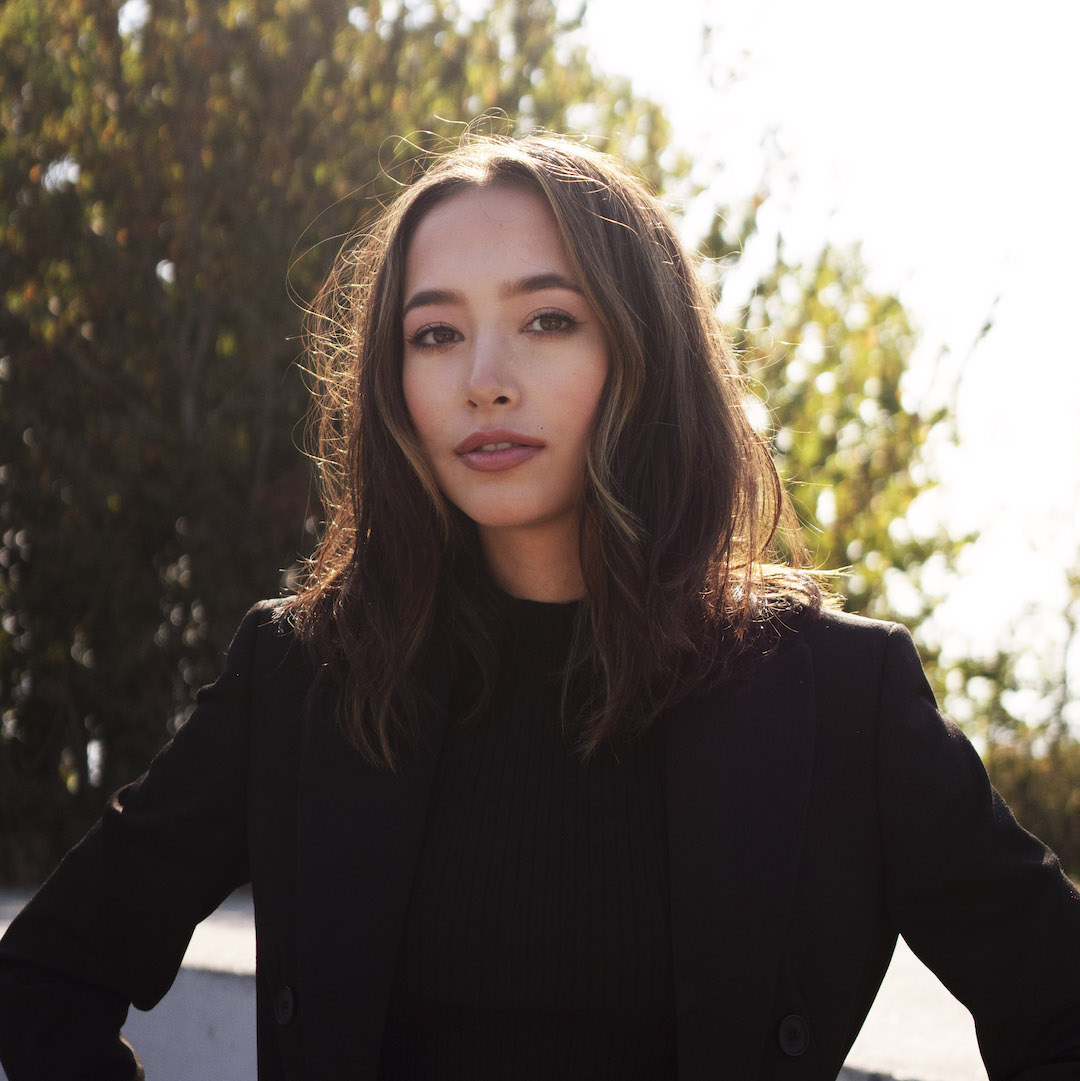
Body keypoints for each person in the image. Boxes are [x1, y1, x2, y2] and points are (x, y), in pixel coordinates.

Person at [1, 133, 1078, 1081]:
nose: (485, 378)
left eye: (547, 319)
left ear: (643, 353)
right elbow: (44, 978)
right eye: (435, 333)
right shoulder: (302, 677)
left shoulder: (839, 696)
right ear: (395, 382)